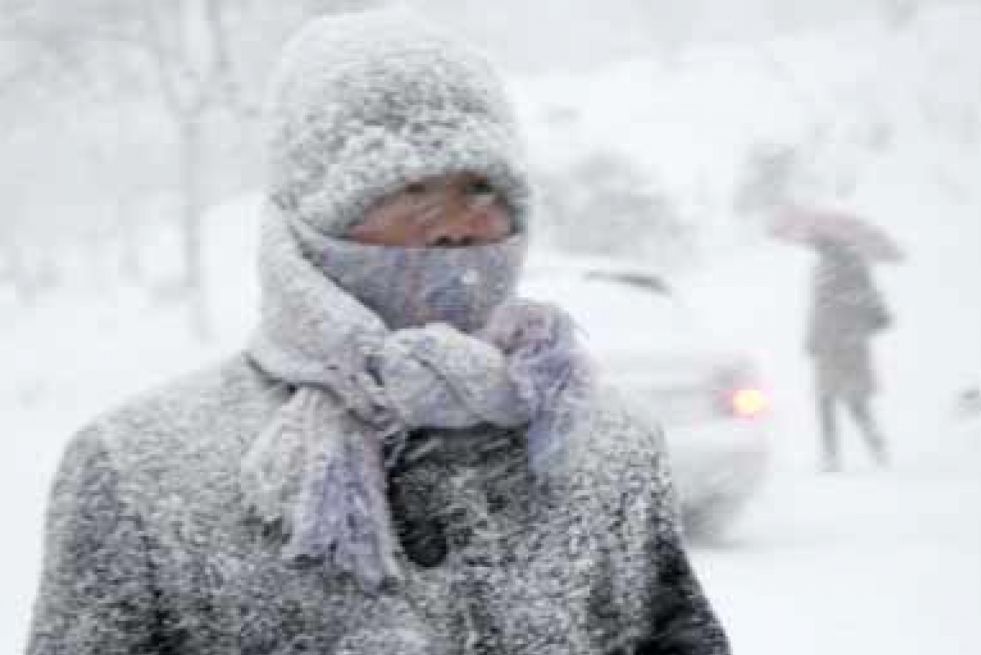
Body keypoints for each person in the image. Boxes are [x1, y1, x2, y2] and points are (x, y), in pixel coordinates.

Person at [25, 9, 731, 654]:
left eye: (483, 189)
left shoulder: (606, 445)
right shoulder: (138, 470)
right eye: (408, 189)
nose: (455, 222)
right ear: (310, 215)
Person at [806, 236, 892, 472]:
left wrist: (814, 336)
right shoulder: (834, 267)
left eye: (821, 244)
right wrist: (811, 337)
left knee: (839, 401)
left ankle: (840, 453)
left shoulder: (848, 268)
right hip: (838, 343)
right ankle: (853, 449)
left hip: (843, 343)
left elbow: (866, 300)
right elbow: (817, 308)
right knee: (834, 401)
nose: (817, 248)